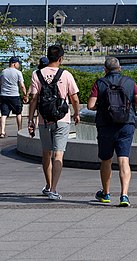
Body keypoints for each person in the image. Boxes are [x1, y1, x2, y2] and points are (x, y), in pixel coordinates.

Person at [86, 57, 137, 207]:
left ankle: (106, 194)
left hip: (105, 125)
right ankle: (124, 195)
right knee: (123, 159)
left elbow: (90, 105)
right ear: (120, 68)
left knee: (106, 159)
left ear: (105, 69)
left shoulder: (100, 83)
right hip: (126, 124)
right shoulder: (129, 82)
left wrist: (103, 107)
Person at [27, 44, 81, 200]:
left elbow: (34, 99)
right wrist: (76, 114)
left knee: (46, 154)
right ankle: (54, 189)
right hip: (62, 119)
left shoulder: (37, 74)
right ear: (60, 58)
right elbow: (75, 98)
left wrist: (31, 120)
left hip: (44, 119)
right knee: (58, 155)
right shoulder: (66, 75)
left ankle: (48, 185)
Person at [1, 56, 27, 138]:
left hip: (4, 95)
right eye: (18, 63)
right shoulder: (18, 73)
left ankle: (2, 131)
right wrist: (25, 95)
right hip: (15, 95)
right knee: (18, 113)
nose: (18, 65)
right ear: (14, 63)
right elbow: (22, 86)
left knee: (4, 114)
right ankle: (19, 130)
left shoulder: (3, 72)